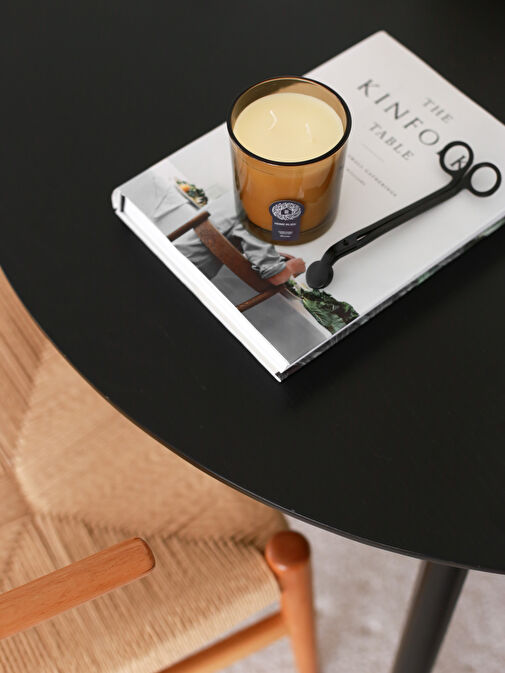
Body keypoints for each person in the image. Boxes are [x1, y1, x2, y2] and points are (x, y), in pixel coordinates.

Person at [174, 207, 306, 285]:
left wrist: (273, 256)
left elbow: (228, 236)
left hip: (172, 254)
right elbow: (275, 277)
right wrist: (293, 266)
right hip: (185, 276)